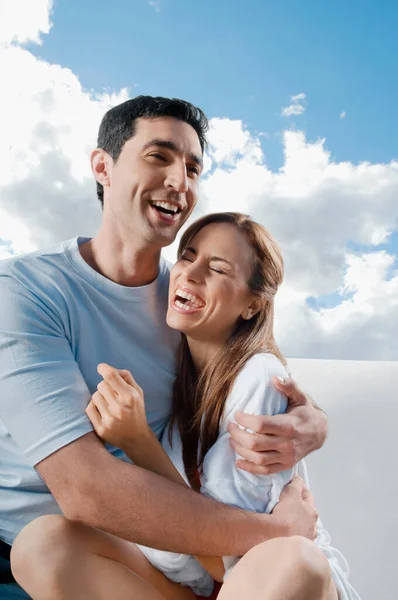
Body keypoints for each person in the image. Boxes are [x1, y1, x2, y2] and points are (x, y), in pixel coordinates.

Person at [0, 96, 327, 599]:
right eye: (159, 156)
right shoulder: (28, 290)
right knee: (43, 543)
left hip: (176, 554)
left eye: (193, 167)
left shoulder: (187, 301)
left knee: (288, 569)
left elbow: (252, 367)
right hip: (61, 555)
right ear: (102, 166)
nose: (181, 180)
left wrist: (312, 421)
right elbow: (85, 491)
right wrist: (278, 534)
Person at [12, 212, 360, 600]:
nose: (190, 274)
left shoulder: (259, 378)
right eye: (187, 256)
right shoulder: (177, 372)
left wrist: (138, 442)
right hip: (199, 588)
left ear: (252, 306)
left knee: (292, 556)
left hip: (276, 586)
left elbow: (225, 560)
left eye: (218, 269)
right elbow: (187, 563)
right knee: (44, 544)